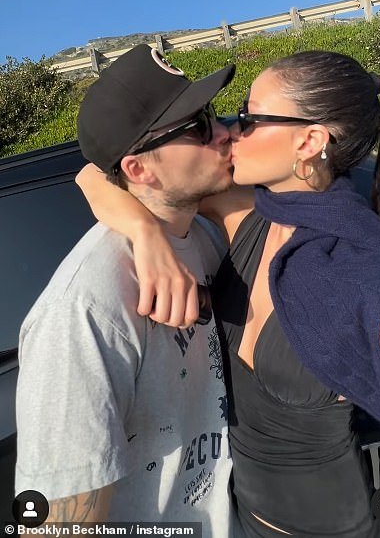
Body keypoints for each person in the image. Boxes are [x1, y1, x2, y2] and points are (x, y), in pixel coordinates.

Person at [76, 50, 380, 537]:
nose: (228, 131)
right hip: (241, 520)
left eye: (249, 118)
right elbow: (96, 172)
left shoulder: (366, 271)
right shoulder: (248, 213)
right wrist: (145, 232)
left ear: (309, 141)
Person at [15, 43, 239, 536]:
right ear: (138, 169)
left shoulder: (203, 236)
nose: (224, 131)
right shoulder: (83, 310)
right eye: (199, 125)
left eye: (214, 113)